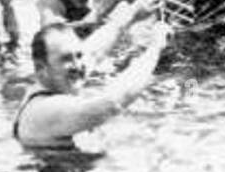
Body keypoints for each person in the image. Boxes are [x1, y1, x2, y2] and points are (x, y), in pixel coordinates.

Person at [13, 15, 167, 152]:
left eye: (78, 55)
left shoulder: (51, 81)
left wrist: (132, 12)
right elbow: (111, 104)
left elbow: (93, 53)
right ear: (42, 68)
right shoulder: (44, 109)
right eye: (66, 59)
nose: (79, 66)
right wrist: (155, 48)